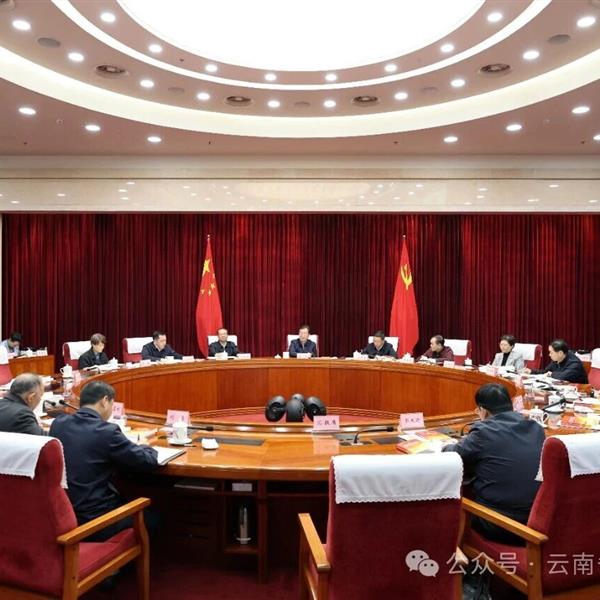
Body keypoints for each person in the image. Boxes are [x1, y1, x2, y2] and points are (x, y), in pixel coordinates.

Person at [49, 381, 158, 540]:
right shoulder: (107, 431)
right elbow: (147, 461)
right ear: (104, 400)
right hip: (95, 520)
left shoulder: (59, 424)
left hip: (64, 514)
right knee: (154, 518)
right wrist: (146, 446)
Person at [443, 383, 544, 545]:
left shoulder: (484, 431)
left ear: (483, 411)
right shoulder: (536, 428)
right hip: (536, 520)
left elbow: (452, 455)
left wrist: (445, 445)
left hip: (498, 524)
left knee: (454, 498)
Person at [523, 339, 588, 384]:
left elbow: (563, 377)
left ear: (560, 353)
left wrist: (551, 374)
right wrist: (531, 371)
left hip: (579, 392)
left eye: (551, 352)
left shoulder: (574, 363)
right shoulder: (557, 358)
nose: (549, 355)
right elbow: (546, 371)